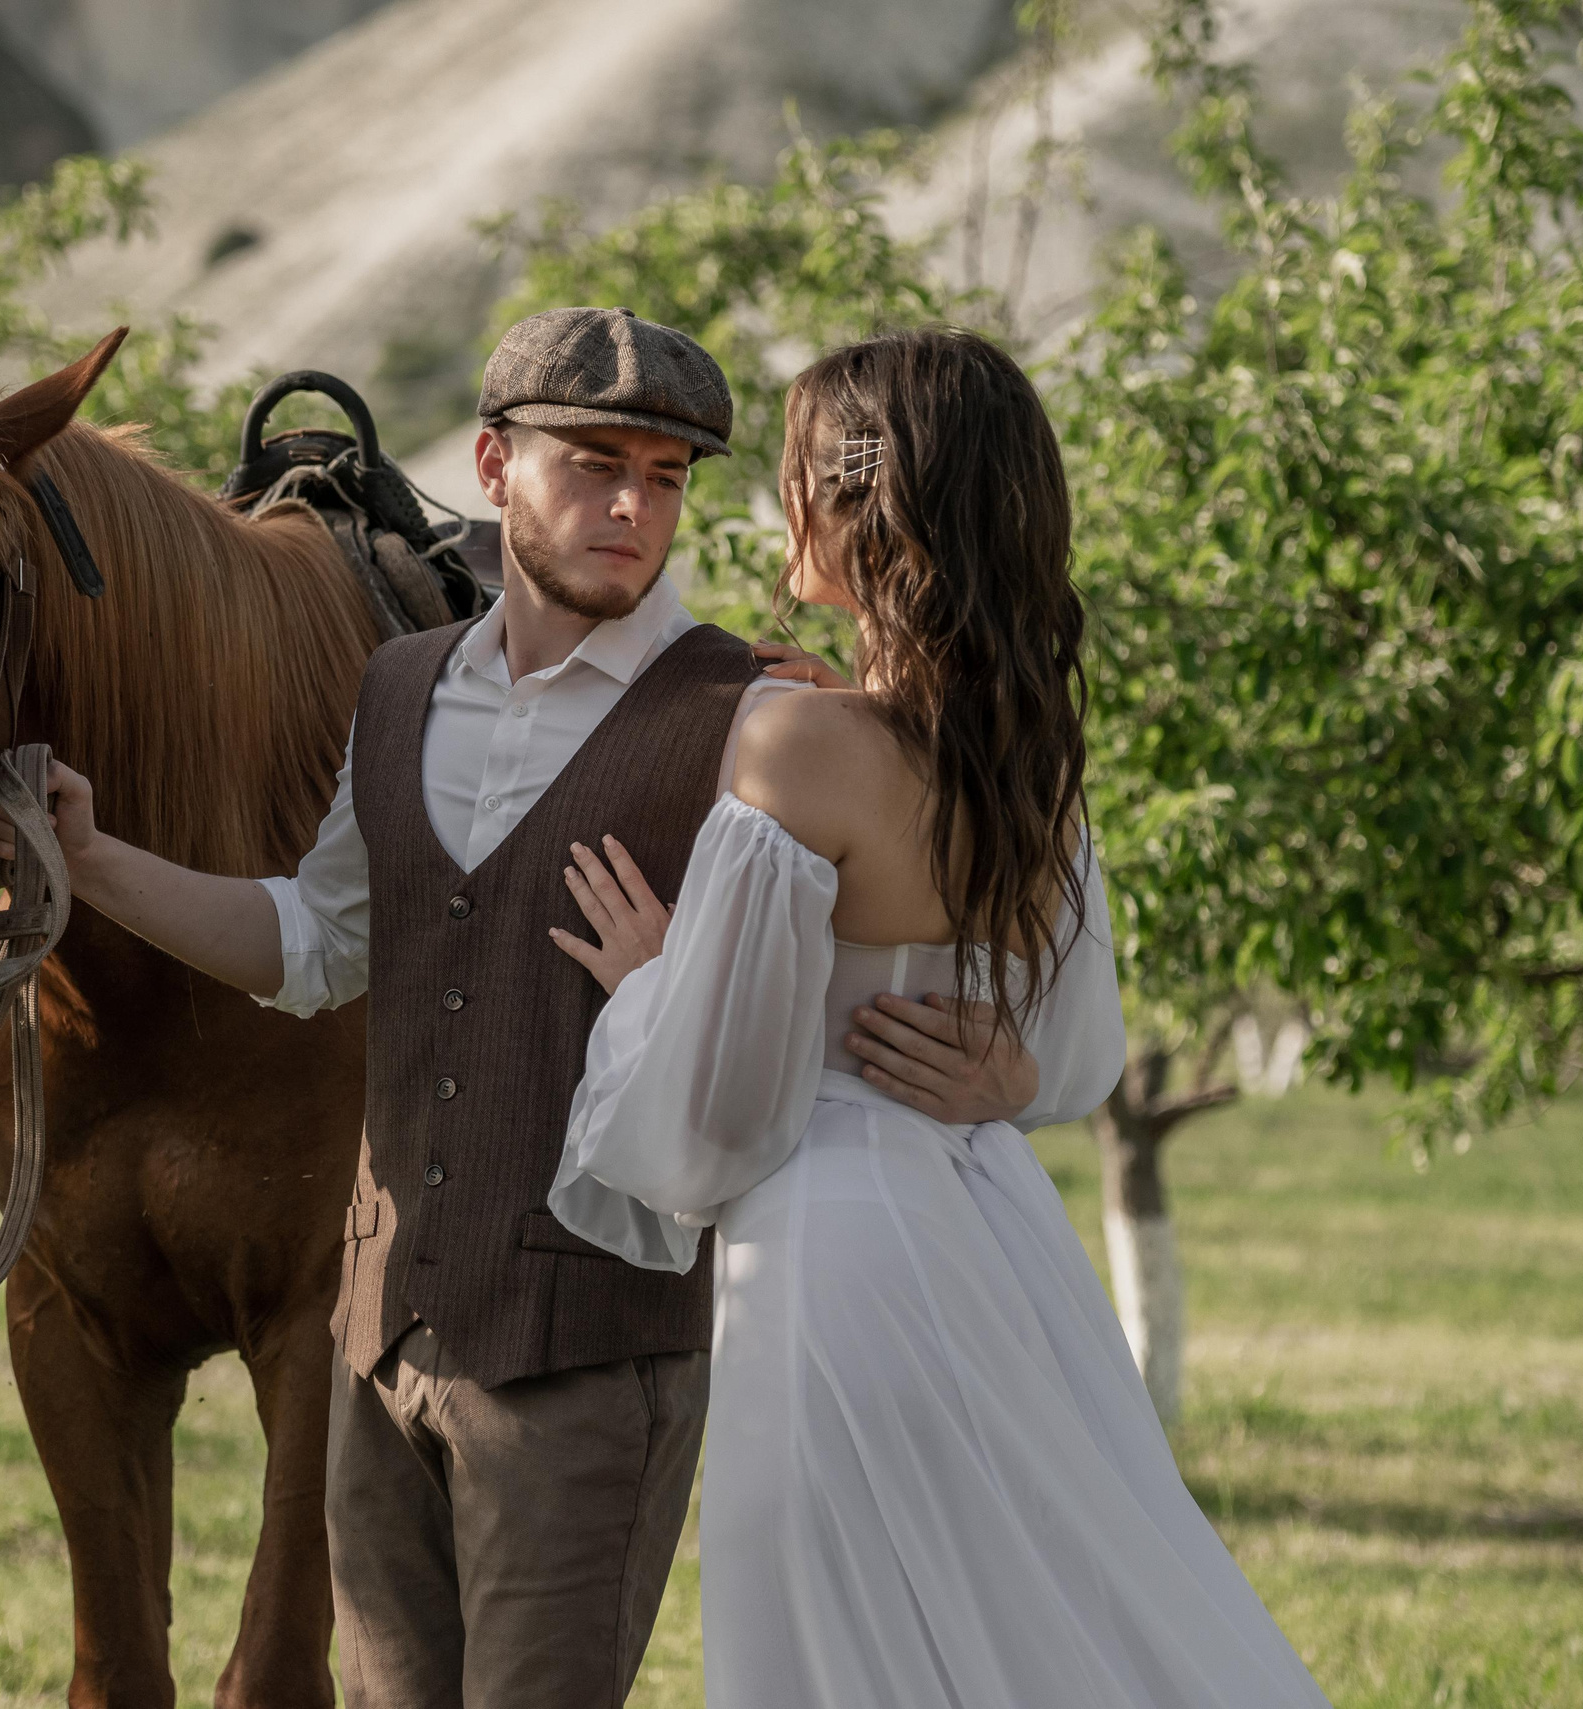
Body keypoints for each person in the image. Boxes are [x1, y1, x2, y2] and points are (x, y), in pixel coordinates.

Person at [0, 306, 1052, 1708]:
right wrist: (98, 858)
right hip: (383, 1346)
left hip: (594, 1361)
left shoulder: (758, 714)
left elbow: (957, 888)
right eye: (594, 462)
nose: (632, 505)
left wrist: (1016, 1060)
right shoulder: (400, 687)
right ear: (491, 468)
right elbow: (310, 942)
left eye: (665, 476)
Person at [545, 327, 1335, 1709]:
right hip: (998, 1246)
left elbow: (718, 1117)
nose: (778, 507)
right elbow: (1072, 1057)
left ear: (865, 507)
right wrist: (1004, 1068)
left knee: (837, 1648)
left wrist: (650, 980)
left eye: (798, 475)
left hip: (828, 1256)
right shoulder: (1034, 762)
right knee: (1032, 1628)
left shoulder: (794, 745)